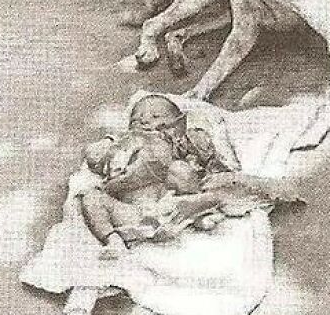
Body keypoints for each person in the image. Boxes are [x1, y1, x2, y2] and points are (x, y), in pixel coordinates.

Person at [79, 95, 238, 259]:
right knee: (91, 198)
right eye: (136, 119)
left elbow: (206, 161)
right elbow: (93, 157)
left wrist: (192, 144)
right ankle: (114, 241)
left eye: (155, 117)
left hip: (169, 206)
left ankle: (198, 216)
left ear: (177, 125)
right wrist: (108, 142)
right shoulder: (123, 143)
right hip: (132, 213)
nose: (144, 121)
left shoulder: (175, 142)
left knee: (184, 173)